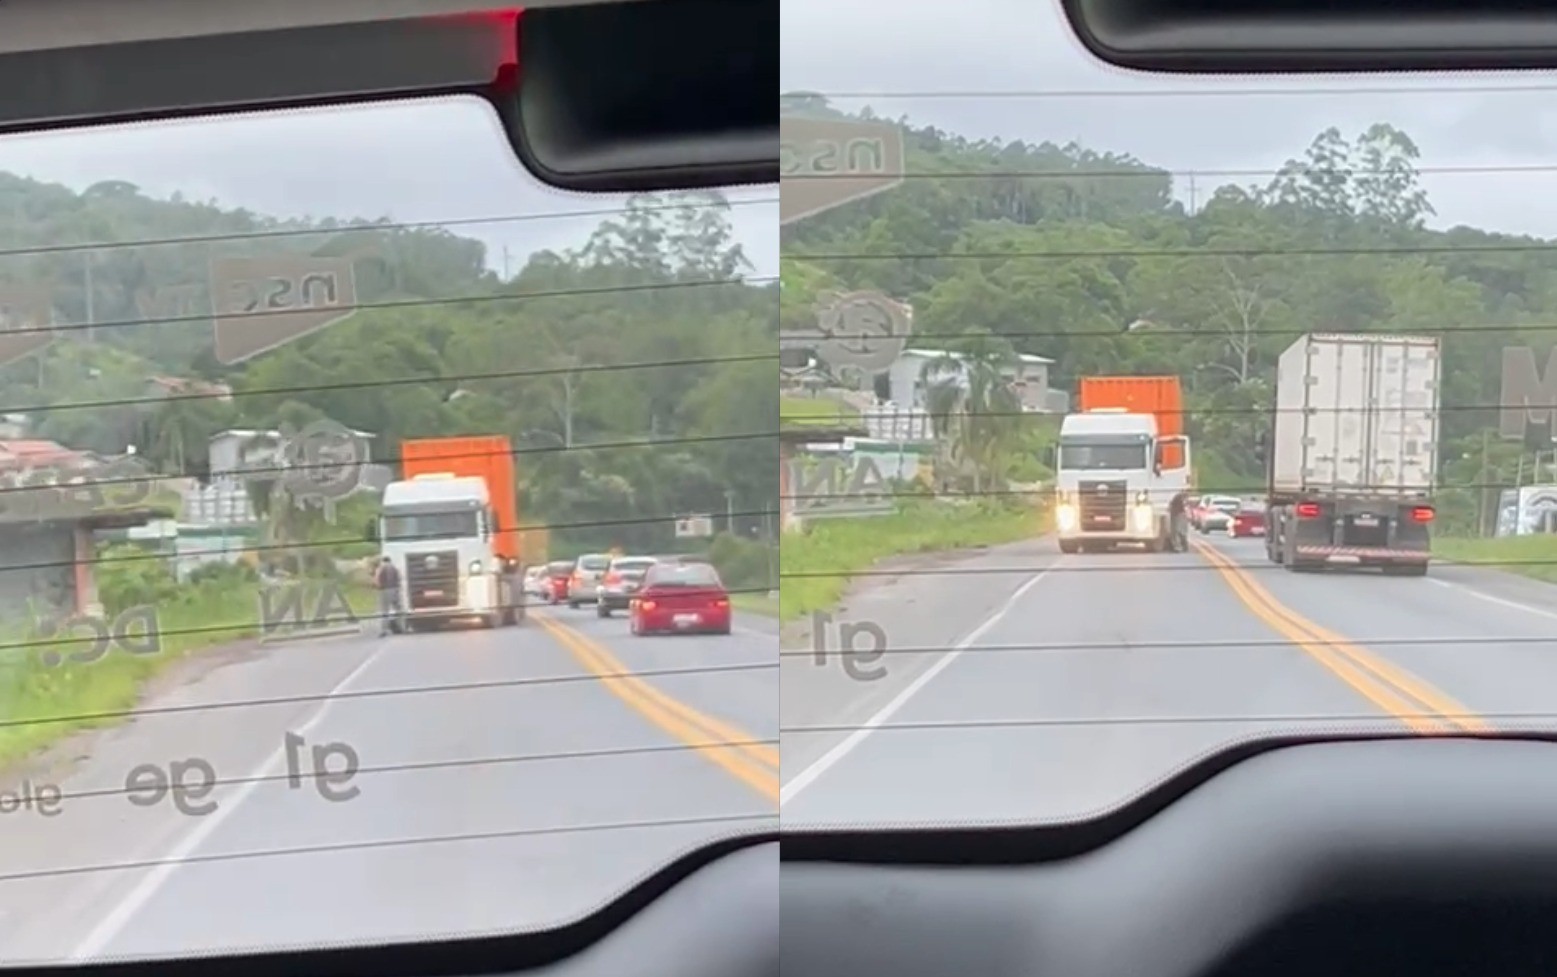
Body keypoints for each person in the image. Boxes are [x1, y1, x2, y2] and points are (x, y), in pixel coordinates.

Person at [373, 556, 403, 636]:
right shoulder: (394, 568)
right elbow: (399, 579)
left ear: (383, 561)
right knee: (397, 609)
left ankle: (384, 630)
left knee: (384, 610)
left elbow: (377, 580)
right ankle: (399, 626)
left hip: (384, 590)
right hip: (394, 589)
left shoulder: (380, 568)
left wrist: (378, 587)